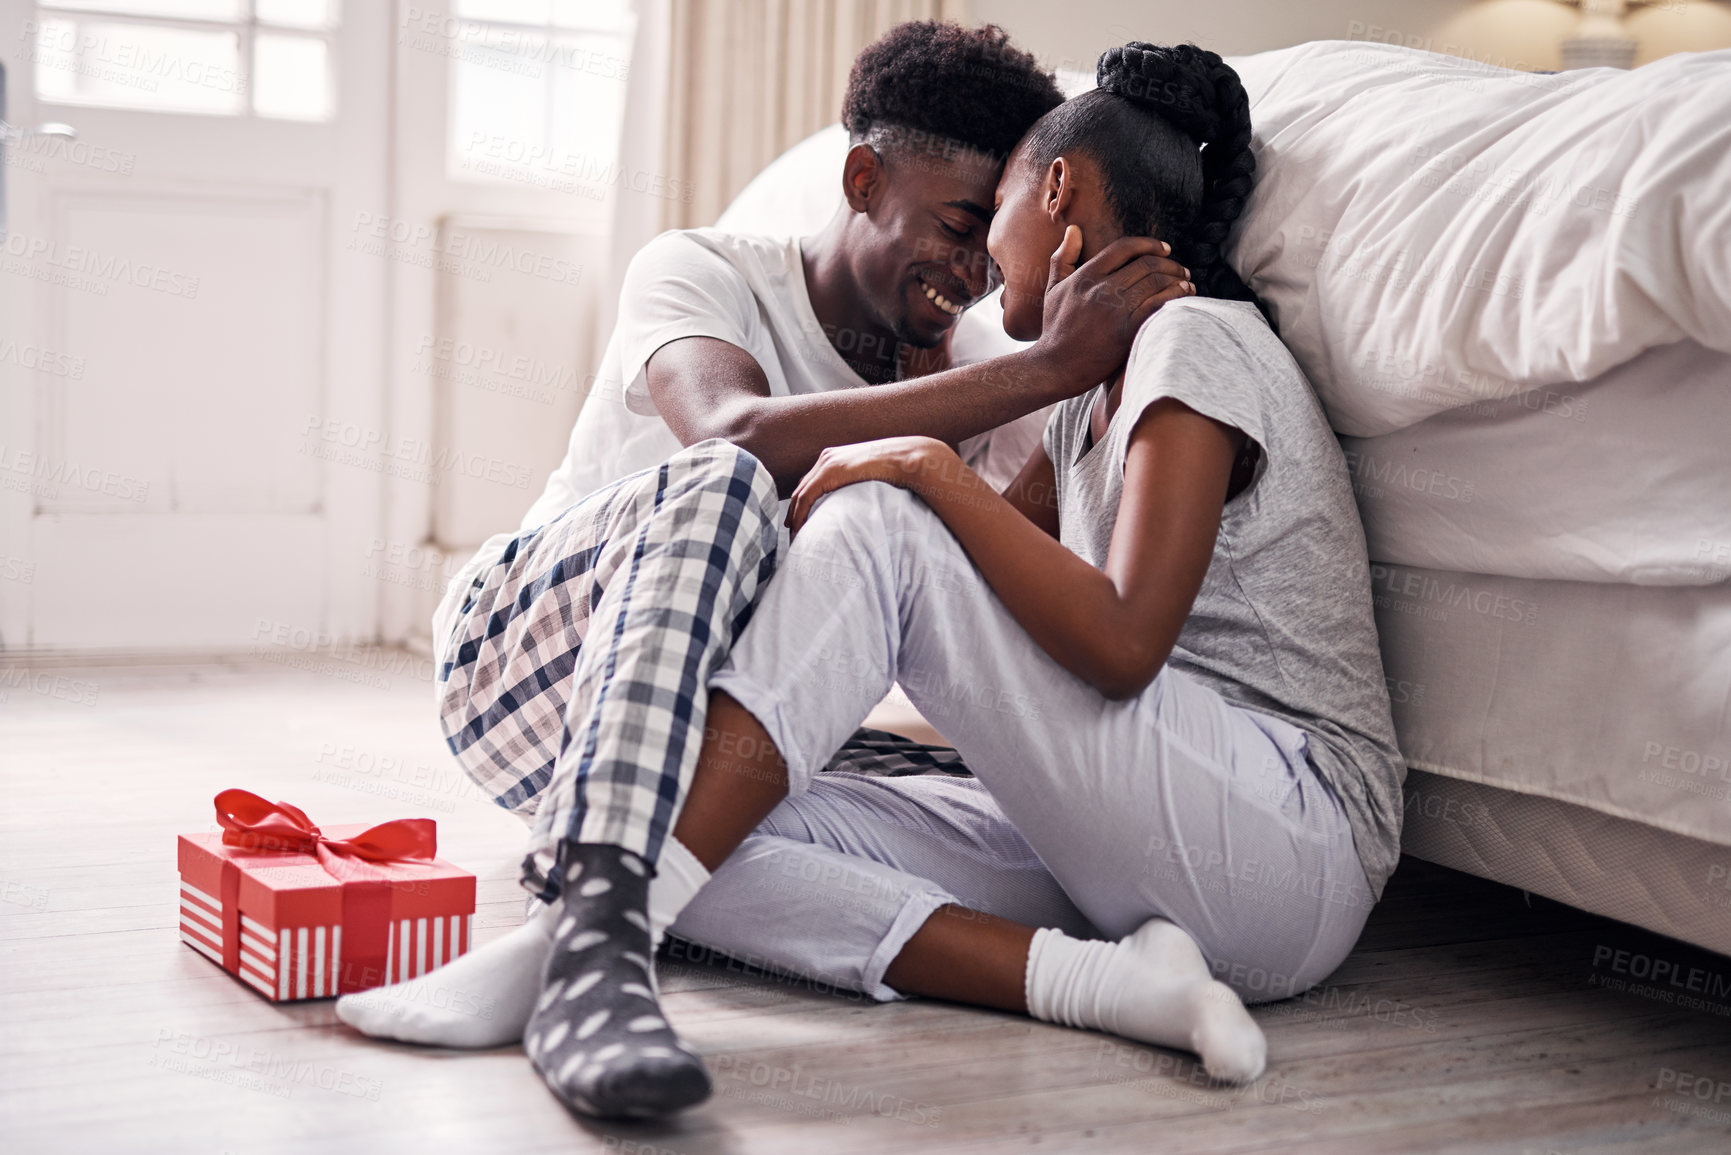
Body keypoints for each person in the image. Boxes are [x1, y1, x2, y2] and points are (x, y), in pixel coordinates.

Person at [496, 41, 1407, 1119]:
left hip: (1292, 846)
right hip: (1151, 851)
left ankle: (574, 952)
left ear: (1057, 188)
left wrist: (924, 470)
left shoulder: (1194, 342)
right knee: (698, 824)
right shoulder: (1082, 399)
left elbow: (1119, 641)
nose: (979, 272)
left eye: (997, 211)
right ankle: (1102, 986)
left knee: (891, 518)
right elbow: (987, 596)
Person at [335, 21, 1193, 1116]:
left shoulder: (977, 375)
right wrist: (1042, 371)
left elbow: (1006, 608)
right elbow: (727, 431)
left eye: (996, 242)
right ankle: (598, 954)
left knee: (1014, 823)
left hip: (680, 739)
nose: (975, 275)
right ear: (862, 176)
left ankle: (578, 934)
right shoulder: (704, 269)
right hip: (523, 669)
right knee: (733, 486)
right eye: (957, 225)